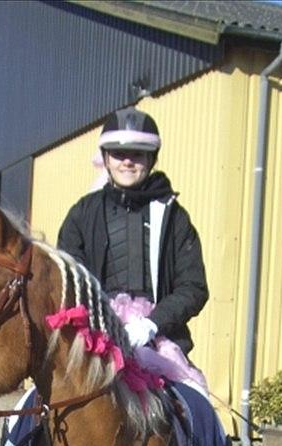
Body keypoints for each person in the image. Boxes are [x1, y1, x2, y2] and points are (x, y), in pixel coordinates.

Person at [57, 107, 208, 382]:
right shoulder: (82, 214)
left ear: (151, 159)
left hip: (158, 341)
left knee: (198, 407)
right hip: (94, 339)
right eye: (118, 154)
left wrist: (152, 324)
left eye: (137, 154)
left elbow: (193, 287)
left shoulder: (175, 216)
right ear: (106, 159)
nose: (127, 162)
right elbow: (68, 282)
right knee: (34, 408)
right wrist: (101, 324)